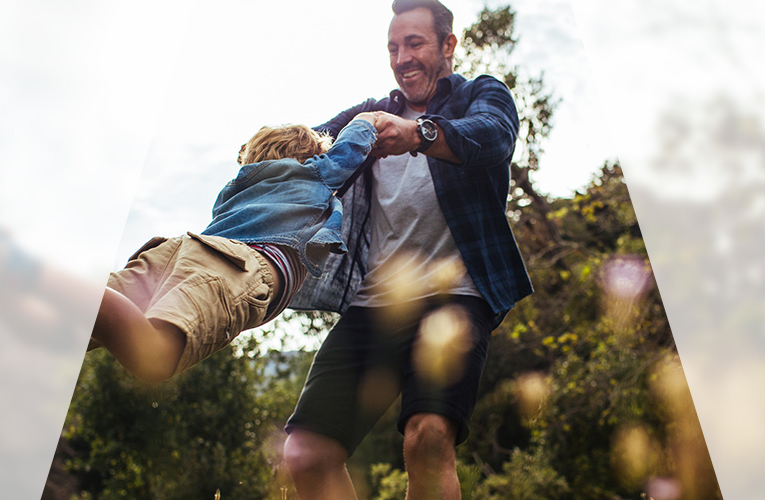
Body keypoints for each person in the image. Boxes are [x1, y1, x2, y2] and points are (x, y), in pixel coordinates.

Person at [282, 1, 533, 499]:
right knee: (306, 454)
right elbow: (308, 146)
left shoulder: (480, 96)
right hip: (375, 304)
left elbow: (493, 136)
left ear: (448, 46)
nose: (402, 57)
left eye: (414, 43)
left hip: (457, 297)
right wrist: (270, 157)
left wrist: (418, 134)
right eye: (394, 48)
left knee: (429, 438)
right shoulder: (369, 117)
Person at [88, 114, 379, 383]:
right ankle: (58, 282)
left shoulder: (236, 188)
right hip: (238, 264)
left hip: (180, 249)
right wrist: (369, 119)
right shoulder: (314, 174)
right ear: (311, 157)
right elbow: (351, 146)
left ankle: (61, 300)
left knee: (77, 328)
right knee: (155, 353)